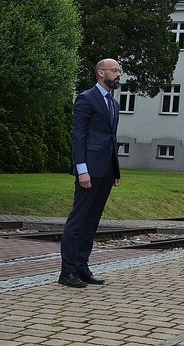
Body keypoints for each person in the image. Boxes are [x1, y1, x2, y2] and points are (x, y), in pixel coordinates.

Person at [59, 59, 122, 288]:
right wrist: (81, 169)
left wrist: (115, 170)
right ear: (100, 73)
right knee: (79, 220)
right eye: (114, 71)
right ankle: (67, 272)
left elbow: (111, 140)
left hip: (106, 170)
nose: (118, 75)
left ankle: (81, 267)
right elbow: (79, 136)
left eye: (119, 71)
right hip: (89, 170)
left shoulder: (113, 104)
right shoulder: (86, 99)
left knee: (92, 221)